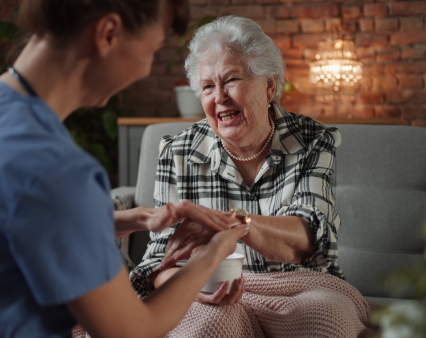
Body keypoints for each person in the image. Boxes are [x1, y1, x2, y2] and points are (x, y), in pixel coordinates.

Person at [0, 1, 251, 337]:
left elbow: (16, 222)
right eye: (152, 49)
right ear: (108, 34)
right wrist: (214, 252)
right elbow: (133, 329)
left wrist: (139, 218)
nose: (147, 68)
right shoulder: (52, 166)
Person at [130, 15, 378, 337]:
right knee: (210, 325)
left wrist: (234, 225)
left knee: (323, 319)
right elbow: (157, 264)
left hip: (299, 287)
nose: (219, 97)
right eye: (207, 86)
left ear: (269, 85)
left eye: (231, 80)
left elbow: (311, 237)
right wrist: (192, 287)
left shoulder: (312, 140)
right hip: (212, 293)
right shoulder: (177, 152)